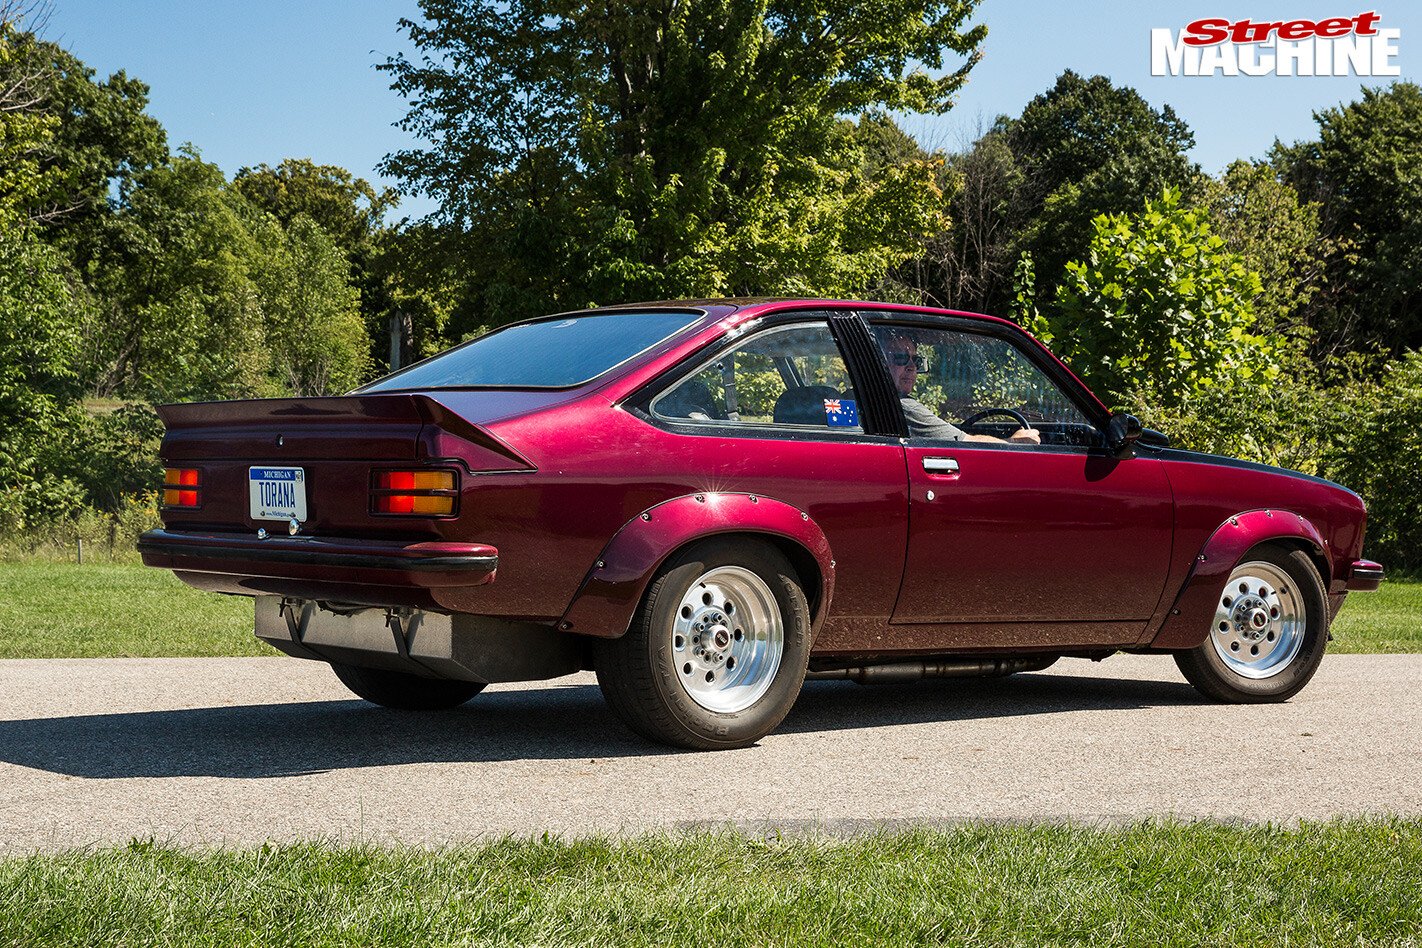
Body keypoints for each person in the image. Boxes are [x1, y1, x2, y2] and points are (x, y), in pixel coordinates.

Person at [881, 334, 1041, 444]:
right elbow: (967, 444)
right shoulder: (901, 407)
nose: (912, 366)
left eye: (915, 359)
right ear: (881, 362)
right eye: (901, 358)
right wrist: (1015, 442)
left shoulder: (871, 401)